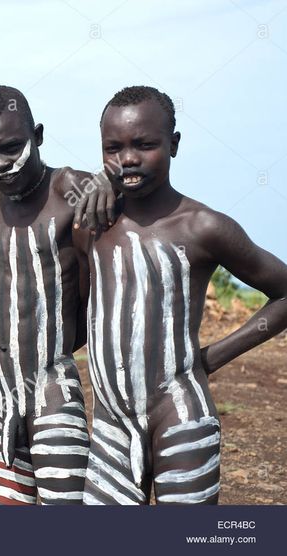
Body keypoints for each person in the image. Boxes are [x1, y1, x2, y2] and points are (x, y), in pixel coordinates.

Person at [75, 85, 287, 504]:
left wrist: (211, 358)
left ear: (173, 144)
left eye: (145, 144)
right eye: (112, 148)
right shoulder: (93, 224)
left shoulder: (202, 227)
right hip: (111, 425)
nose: (128, 158)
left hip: (181, 415)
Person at [0, 85, 104, 504]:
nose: (1, 166)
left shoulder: (71, 190)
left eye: (12, 148)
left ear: (37, 135)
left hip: (52, 384)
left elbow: (96, 286)